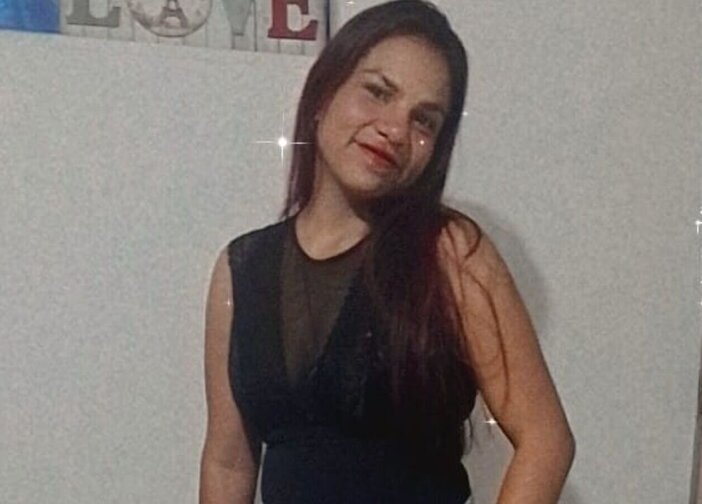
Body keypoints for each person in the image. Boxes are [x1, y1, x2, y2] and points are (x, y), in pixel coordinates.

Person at [198, 1, 574, 503]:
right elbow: (228, 462)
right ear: (324, 91)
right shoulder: (241, 268)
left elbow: (546, 439)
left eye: (424, 121)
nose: (396, 130)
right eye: (378, 92)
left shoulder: (450, 254)